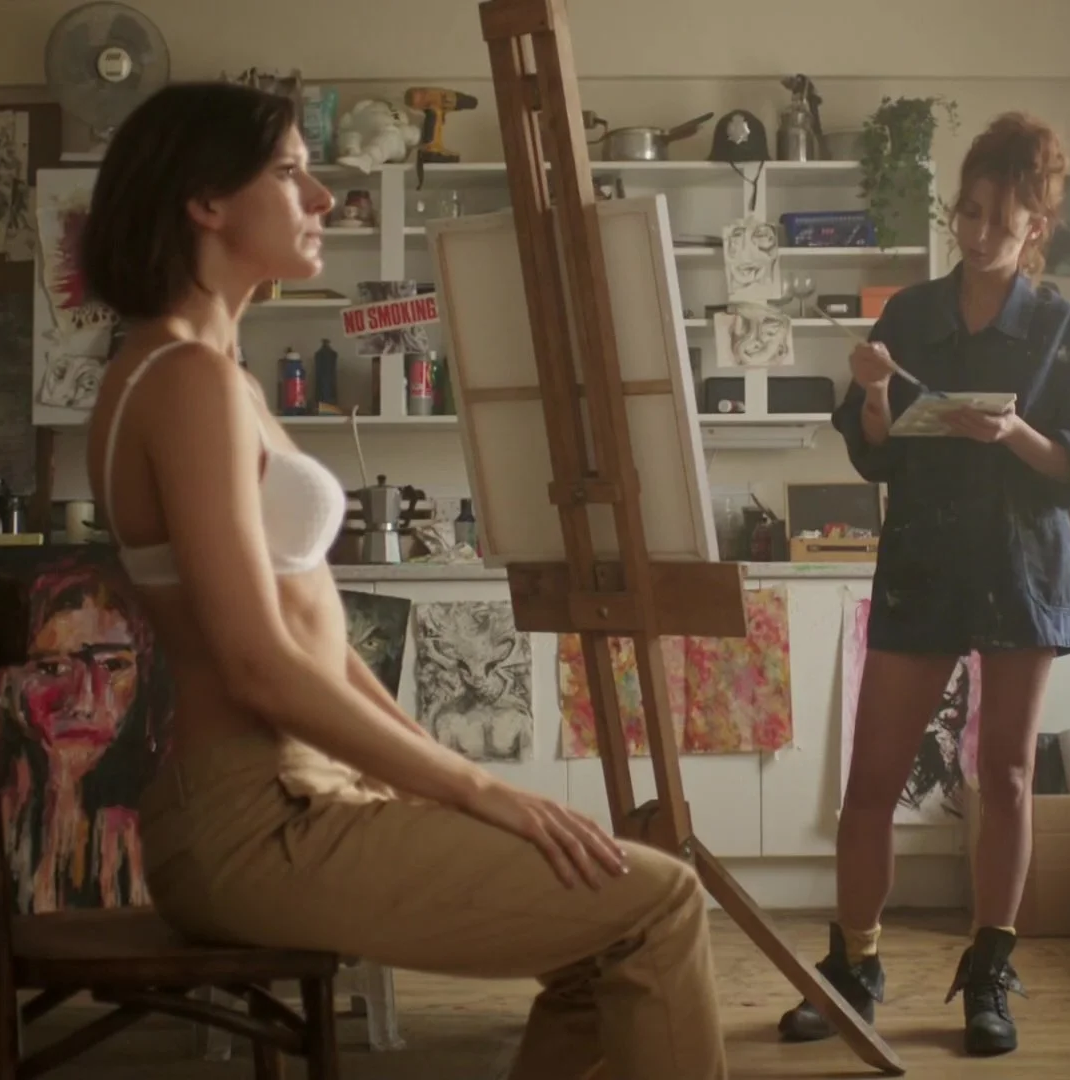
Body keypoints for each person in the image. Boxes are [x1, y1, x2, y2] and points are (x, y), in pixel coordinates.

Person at [77, 82, 727, 1080]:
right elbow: (257, 664)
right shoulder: (183, 380)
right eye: (290, 173)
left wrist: (445, 776)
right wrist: (475, 787)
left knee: (599, 931)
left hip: (294, 795)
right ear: (205, 201)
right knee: (659, 904)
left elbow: (320, 647)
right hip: (257, 818)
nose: (321, 198)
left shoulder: (214, 375)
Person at [778, 111, 1070, 1057]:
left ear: (1036, 227)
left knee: (1004, 777)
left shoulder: (1064, 332)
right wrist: (874, 394)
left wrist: (1014, 434)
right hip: (922, 563)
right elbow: (875, 455)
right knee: (871, 781)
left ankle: (989, 975)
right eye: (968, 212)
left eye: (1000, 221)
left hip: (1020, 568)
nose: (977, 233)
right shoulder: (911, 315)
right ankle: (854, 968)